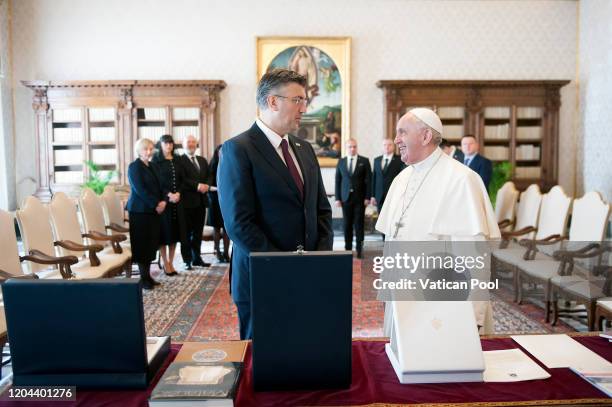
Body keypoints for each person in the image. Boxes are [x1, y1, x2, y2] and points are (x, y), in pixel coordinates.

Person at [217, 68, 333, 340]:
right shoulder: (238, 149)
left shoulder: (304, 149)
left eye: (305, 100)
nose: (304, 108)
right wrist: (284, 266)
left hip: (308, 275)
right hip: (262, 276)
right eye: (297, 100)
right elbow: (238, 224)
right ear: (272, 101)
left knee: (301, 351)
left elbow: (321, 211)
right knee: (263, 363)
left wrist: (318, 261)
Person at [376, 108, 500, 334]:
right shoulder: (401, 179)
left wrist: (471, 317)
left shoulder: (461, 180)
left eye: (402, 132)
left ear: (425, 136)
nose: (396, 140)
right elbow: (392, 242)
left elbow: (474, 258)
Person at [126, 138, 165, 290]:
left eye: (150, 149)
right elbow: (140, 190)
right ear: (139, 150)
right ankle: (143, 279)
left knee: (151, 244)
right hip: (140, 211)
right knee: (142, 245)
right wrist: (155, 204)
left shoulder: (153, 166)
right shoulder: (134, 167)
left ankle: (148, 276)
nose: (148, 152)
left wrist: (163, 202)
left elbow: (161, 186)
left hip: (153, 211)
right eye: (145, 149)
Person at [152, 134, 185, 276]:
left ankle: (171, 262)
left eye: (170, 143)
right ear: (161, 145)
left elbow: (183, 180)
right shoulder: (156, 161)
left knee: (175, 233)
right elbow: (157, 182)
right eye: (165, 143)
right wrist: (168, 195)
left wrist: (179, 193)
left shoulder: (178, 160)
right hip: (164, 202)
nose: (168, 146)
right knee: (164, 234)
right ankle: (165, 262)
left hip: (177, 202)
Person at [178, 134, 211, 269]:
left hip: (201, 202)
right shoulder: (179, 160)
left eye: (193, 142)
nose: (191, 144)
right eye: (188, 142)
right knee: (186, 233)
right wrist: (197, 186)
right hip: (186, 202)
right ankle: (187, 260)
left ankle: (197, 258)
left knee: (198, 232)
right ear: (183, 144)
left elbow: (209, 175)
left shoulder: (202, 160)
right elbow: (182, 179)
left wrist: (207, 185)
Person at [335, 138, 372, 258]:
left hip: (360, 199)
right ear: (346, 148)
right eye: (350, 147)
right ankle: (348, 249)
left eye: (354, 146)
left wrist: (368, 196)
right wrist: (337, 198)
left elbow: (369, 180)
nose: (352, 149)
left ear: (357, 147)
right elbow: (338, 181)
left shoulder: (364, 161)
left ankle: (360, 250)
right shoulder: (341, 161)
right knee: (347, 225)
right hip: (345, 199)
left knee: (359, 225)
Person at [371, 138, 405, 217]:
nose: (387, 147)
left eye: (389, 145)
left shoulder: (400, 160)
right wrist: (373, 196)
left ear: (394, 146)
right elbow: (374, 179)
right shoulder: (377, 160)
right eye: (384, 145)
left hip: (394, 195)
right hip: (379, 196)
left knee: (392, 218)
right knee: (381, 220)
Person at [206, 144, 229, 263]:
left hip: (227, 199)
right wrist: (218, 188)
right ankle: (218, 253)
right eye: (220, 152)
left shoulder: (229, 164)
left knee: (227, 228)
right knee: (216, 227)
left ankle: (226, 252)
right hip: (215, 199)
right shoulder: (212, 166)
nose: (221, 154)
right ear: (216, 153)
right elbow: (209, 185)